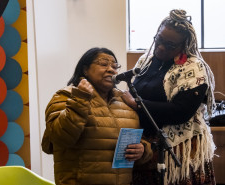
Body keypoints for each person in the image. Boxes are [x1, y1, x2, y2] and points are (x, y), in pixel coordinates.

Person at [122, 9, 216, 185]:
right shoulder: (145, 60)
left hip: (180, 151)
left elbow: (181, 112)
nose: (161, 47)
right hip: (145, 147)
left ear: (184, 45)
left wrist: (138, 105)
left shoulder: (193, 67)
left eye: (171, 45)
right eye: (159, 39)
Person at [41, 47, 153, 185]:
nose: (111, 69)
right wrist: (80, 99)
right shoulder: (66, 96)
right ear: (85, 69)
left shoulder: (124, 101)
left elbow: (139, 139)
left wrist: (142, 149)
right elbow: (59, 138)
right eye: (103, 64)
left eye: (114, 66)